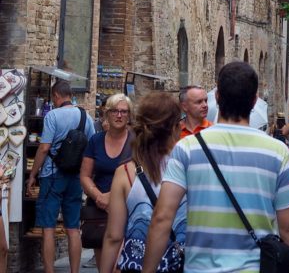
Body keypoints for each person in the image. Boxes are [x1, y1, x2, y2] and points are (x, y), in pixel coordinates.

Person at [143, 61, 289, 273]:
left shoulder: (187, 148)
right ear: (254, 100)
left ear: (218, 97)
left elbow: (162, 218)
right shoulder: (277, 152)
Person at [100, 91, 186, 273]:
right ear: (175, 128)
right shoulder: (189, 169)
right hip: (181, 265)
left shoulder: (125, 173)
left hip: (136, 264)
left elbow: (114, 236)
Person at [26, 80, 96, 273]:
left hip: (52, 175)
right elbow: (91, 146)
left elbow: (44, 147)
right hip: (75, 177)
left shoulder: (53, 116)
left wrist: (33, 174)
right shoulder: (85, 116)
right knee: (73, 228)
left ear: (56, 95)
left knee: (48, 228)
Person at [80, 93, 134, 265]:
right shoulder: (95, 141)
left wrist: (113, 196)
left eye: (124, 112)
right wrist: (99, 196)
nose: (119, 115)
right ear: (107, 114)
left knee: (119, 264)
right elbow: (85, 175)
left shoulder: (136, 142)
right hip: (99, 209)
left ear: (129, 115)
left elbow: (142, 176)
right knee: (104, 264)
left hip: (128, 208)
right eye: (115, 111)